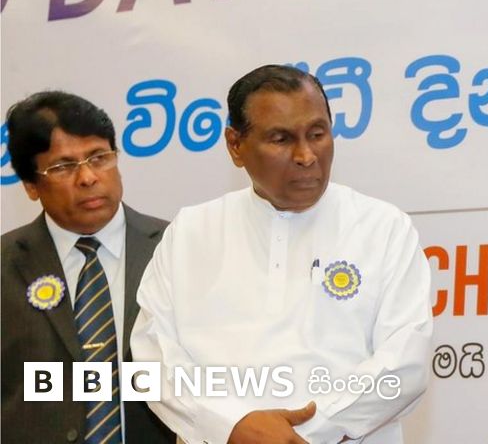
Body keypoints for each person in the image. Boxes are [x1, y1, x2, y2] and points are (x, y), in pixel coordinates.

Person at [130, 65, 433, 444]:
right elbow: (153, 358)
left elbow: (405, 362)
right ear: (235, 145)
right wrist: (231, 425)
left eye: (317, 134)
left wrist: (305, 431)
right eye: (281, 139)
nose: (306, 155)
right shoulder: (191, 231)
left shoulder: (383, 227)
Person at [1, 91, 174, 443]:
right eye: (63, 167)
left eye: (99, 157)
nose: (88, 177)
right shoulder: (6, 264)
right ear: (31, 185)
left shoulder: (175, 248)